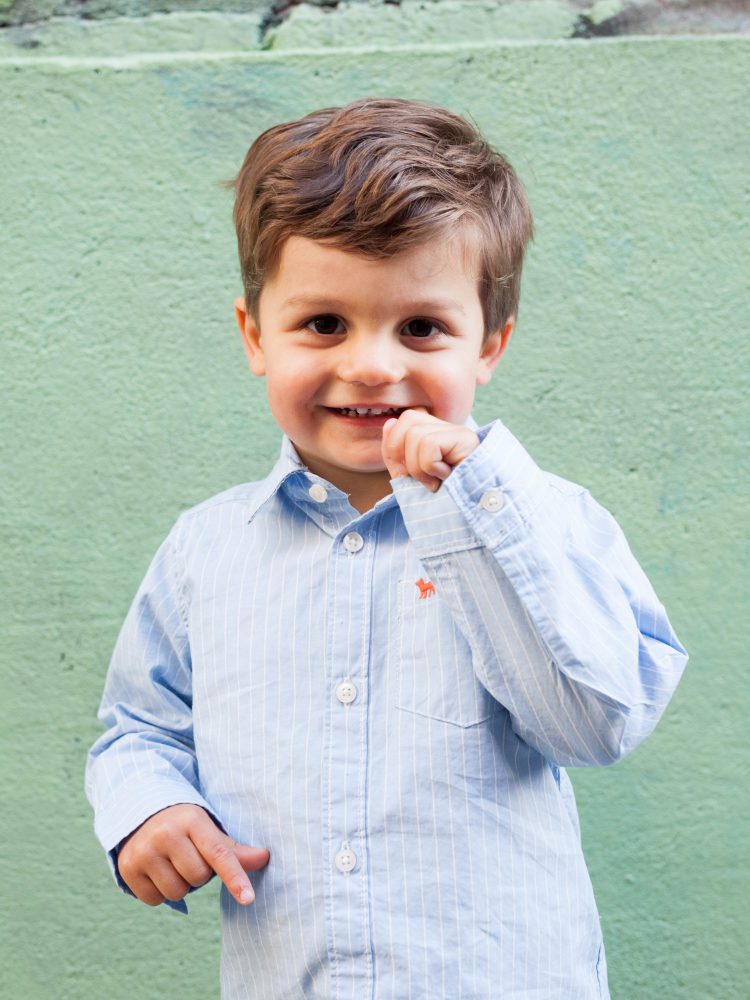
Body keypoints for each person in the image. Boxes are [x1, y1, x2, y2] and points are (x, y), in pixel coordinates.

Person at [86, 98, 687, 999]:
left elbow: (596, 724)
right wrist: (153, 809)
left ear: (490, 345)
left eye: (421, 328)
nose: (372, 365)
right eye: (324, 324)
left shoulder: (552, 520)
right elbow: (138, 728)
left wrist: (475, 505)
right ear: (256, 337)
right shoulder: (204, 551)